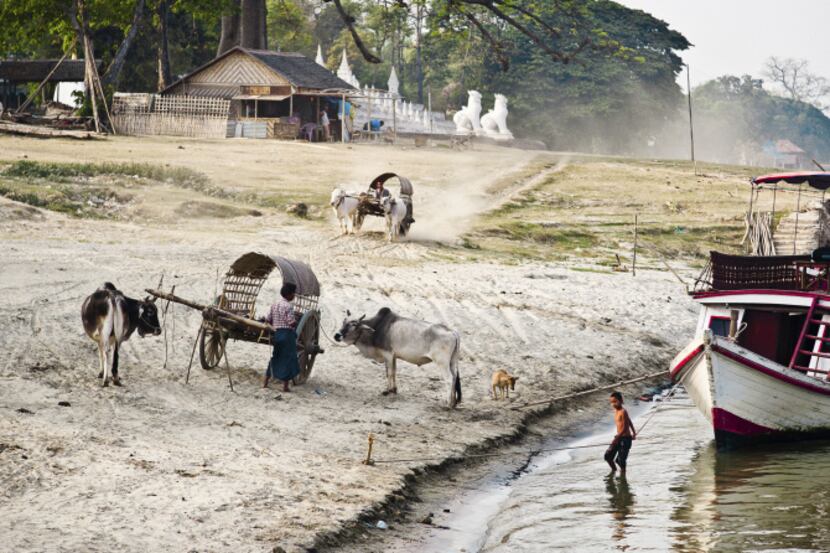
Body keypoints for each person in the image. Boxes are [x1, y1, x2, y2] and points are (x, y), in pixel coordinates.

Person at [263, 283, 301, 391]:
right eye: (293, 293)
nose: (294, 295)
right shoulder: (288, 306)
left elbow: (267, 319)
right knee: (288, 359)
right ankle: (285, 386)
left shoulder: (274, 305)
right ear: (289, 294)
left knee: (276, 357)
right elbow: (291, 322)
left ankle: (265, 382)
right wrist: (296, 322)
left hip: (277, 334)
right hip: (287, 335)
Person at [604, 391, 636, 475]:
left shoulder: (623, 411)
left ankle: (623, 475)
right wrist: (634, 432)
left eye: (615, 401)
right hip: (618, 437)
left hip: (625, 439)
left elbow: (625, 427)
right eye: (611, 402)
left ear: (621, 401)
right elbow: (629, 421)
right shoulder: (616, 412)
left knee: (620, 460)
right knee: (607, 456)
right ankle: (614, 470)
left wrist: (632, 434)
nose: (613, 404)